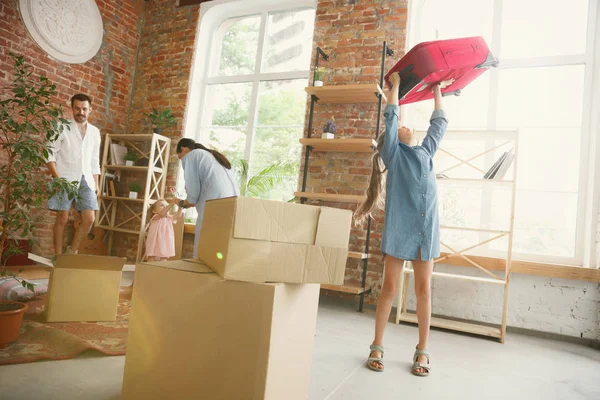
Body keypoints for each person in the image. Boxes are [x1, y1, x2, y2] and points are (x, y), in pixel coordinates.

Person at [354, 72, 454, 377]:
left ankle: (423, 350)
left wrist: (437, 89)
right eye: (401, 127)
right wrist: (395, 88)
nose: (406, 126)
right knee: (389, 288)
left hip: (427, 231)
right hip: (399, 229)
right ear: (394, 138)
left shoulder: (425, 152)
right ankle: (377, 345)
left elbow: (440, 123)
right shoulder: (394, 155)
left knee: (424, 290)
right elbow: (392, 117)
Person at [46, 94, 101, 258]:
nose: (81, 112)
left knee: (89, 219)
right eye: (77, 108)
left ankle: (70, 252)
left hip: (87, 180)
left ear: (90, 110)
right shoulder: (60, 127)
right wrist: (57, 179)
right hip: (65, 178)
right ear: (72, 108)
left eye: (84, 109)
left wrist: (96, 183)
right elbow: (49, 154)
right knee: (62, 217)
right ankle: (58, 255)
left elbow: (94, 160)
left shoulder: (95, 132)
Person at [176, 138, 239, 257]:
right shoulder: (214, 156)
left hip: (213, 206)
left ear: (183, 149)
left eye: (180, 157)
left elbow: (192, 194)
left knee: (203, 250)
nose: (182, 161)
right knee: (221, 251)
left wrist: (181, 202)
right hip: (232, 205)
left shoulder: (192, 155)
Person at [145, 197, 184, 261]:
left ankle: (161, 270)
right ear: (154, 211)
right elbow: (162, 213)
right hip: (155, 242)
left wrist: (180, 207)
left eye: (166, 206)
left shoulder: (168, 218)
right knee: (151, 256)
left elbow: (177, 216)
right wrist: (172, 203)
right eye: (162, 206)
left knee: (164, 257)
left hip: (165, 241)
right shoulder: (156, 217)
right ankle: (151, 269)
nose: (165, 207)